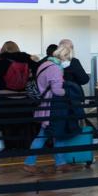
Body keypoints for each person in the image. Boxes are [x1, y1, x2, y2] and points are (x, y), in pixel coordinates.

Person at [22, 44, 70, 174]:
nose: (68, 60)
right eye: (67, 57)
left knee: (53, 134)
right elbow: (57, 90)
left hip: (45, 105)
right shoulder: (55, 68)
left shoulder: (45, 65)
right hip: (52, 106)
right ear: (63, 56)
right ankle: (29, 162)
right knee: (45, 135)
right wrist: (68, 91)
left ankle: (61, 162)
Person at [0, 41, 38, 150]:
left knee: (6, 125)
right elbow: (37, 71)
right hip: (24, 98)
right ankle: (23, 149)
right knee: (23, 125)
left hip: (5, 99)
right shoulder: (27, 60)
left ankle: (10, 149)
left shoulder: (3, 61)